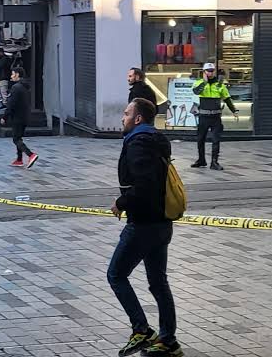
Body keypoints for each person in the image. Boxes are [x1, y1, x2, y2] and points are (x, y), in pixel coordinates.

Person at [108, 98, 181, 357]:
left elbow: (145, 184)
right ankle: (168, 341)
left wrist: (121, 202)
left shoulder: (138, 142)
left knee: (116, 275)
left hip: (143, 223)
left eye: (126, 113)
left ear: (138, 119)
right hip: (162, 222)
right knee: (159, 282)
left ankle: (142, 330)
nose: (122, 118)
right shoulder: (157, 139)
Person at [191, 63, 238, 171]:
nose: (210, 72)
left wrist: (234, 111)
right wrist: (204, 82)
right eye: (208, 71)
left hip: (216, 117)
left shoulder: (220, 85)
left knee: (216, 139)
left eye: (212, 70)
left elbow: (227, 99)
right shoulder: (199, 83)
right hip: (204, 116)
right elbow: (195, 91)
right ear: (204, 72)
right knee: (200, 139)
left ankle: (214, 162)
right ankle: (201, 160)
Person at [0, 67, 38, 169]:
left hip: (17, 117)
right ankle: (19, 159)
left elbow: (11, 104)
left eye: (12, 74)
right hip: (25, 116)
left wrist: (5, 116)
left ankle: (30, 155)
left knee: (16, 139)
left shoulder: (16, 87)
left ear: (17, 74)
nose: (11, 76)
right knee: (19, 137)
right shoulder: (25, 87)